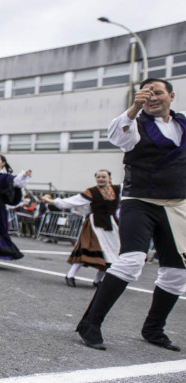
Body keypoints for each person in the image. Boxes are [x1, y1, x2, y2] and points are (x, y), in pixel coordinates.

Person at [76, 78, 185, 352]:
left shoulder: (183, 124)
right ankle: (90, 324)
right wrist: (134, 108)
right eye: (147, 94)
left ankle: (153, 329)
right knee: (132, 261)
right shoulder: (134, 123)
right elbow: (117, 136)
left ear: (171, 96)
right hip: (140, 201)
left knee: (177, 272)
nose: (152, 97)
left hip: (177, 205)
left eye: (158, 92)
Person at [42, 170, 121, 288]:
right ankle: (70, 275)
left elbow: (134, 187)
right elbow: (73, 201)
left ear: (109, 178)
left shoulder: (117, 189)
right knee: (87, 249)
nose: (101, 179)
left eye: (103, 177)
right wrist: (53, 201)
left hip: (112, 226)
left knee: (112, 253)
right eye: (98, 177)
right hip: (95, 225)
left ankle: (98, 280)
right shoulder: (91, 191)